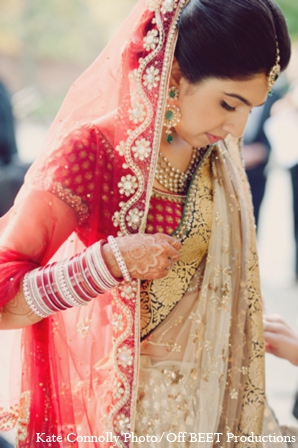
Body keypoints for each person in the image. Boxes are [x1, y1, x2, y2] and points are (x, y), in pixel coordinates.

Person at [0, 0, 291, 447]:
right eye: (228, 103)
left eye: (250, 108)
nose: (236, 127)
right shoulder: (93, 152)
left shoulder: (216, 156)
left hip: (210, 418)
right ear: (175, 73)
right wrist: (107, 264)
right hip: (120, 424)